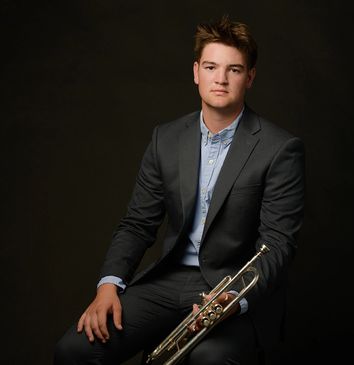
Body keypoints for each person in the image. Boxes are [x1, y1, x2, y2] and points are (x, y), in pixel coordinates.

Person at [54, 15, 305, 365]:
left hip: (232, 285)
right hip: (168, 281)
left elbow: (277, 245)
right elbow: (137, 224)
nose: (220, 78)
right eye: (211, 67)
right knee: (74, 351)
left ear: (249, 77)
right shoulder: (166, 138)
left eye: (233, 69)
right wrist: (108, 285)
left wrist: (233, 295)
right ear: (195, 72)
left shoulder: (280, 148)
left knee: (209, 360)